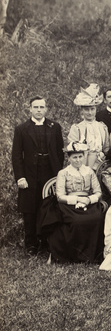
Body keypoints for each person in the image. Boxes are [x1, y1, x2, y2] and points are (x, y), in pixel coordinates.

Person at [12, 96, 64, 254]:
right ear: (30, 109)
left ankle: (47, 243)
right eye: (36, 107)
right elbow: (16, 156)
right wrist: (20, 177)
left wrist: (58, 174)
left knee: (49, 206)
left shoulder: (55, 127)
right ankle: (31, 244)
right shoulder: (21, 129)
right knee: (30, 208)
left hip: (49, 173)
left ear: (46, 109)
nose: (39, 110)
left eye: (42, 107)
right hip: (29, 174)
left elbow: (60, 152)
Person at [41, 143, 105, 263]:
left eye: (80, 157)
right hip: (68, 204)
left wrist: (88, 200)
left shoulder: (89, 171)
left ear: (84, 157)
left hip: (88, 202)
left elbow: (98, 192)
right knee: (76, 221)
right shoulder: (63, 173)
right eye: (74, 157)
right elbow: (59, 196)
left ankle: (93, 255)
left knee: (98, 218)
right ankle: (75, 255)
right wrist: (76, 200)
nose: (78, 160)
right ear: (69, 158)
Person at [68, 83, 110, 170]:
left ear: (96, 109)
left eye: (92, 109)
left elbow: (106, 148)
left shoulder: (102, 127)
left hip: (101, 164)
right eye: (86, 110)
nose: (90, 112)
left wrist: (104, 155)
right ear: (82, 111)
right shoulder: (77, 128)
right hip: (83, 163)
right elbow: (73, 149)